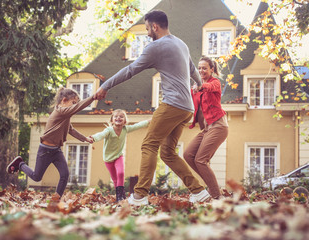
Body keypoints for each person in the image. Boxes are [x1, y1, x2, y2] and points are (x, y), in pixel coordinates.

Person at [94, 10, 209, 205]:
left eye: (147, 29)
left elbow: (130, 70)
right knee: (168, 153)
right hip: (187, 108)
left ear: (155, 26)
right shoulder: (181, 43)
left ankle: (139, 195)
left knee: (149, 144)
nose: (147, 33)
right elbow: (191, 69)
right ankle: (198, 191)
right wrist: (198, 84)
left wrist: (105, 85)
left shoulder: (156, 47)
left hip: (172, 105)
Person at [6, 88, 94, 199]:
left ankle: (56, 199)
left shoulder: (65, 117)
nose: (74, 107)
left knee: (65, 174)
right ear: (64, 100)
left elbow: (71, 130)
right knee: (37, 177)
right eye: (73, 103)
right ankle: (20, 164)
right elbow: (77, 108)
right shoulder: (60, 112)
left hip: (56, 151)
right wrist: (93, 97)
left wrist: (85, 139)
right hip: (45, 151)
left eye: (75, 104)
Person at [183, 56, 229, 200]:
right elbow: (187, 98)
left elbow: (209, 87)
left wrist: (201, 86)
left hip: (219, 126)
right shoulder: (195, 88)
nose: (201, 70)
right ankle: (211, 185)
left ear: (211, 70)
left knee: (201, 160)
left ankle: (216, 195)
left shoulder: (214, 83)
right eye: (199, 68)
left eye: (204, 68)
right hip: (207, 129)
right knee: (188, 155)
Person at [89, 109, 151, 202]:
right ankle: (120, 196)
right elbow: (101, 135)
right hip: (108, 158)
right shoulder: (109, 130)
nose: (118, 118)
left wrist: (149, 121)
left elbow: (138, 125)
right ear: (112, 120)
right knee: (114, 179)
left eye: (121, 116)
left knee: (121, 173)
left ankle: (120, 197)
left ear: (125, 121)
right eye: (116, 116)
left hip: (118, 156)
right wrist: (93, 138)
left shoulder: (126, 129)